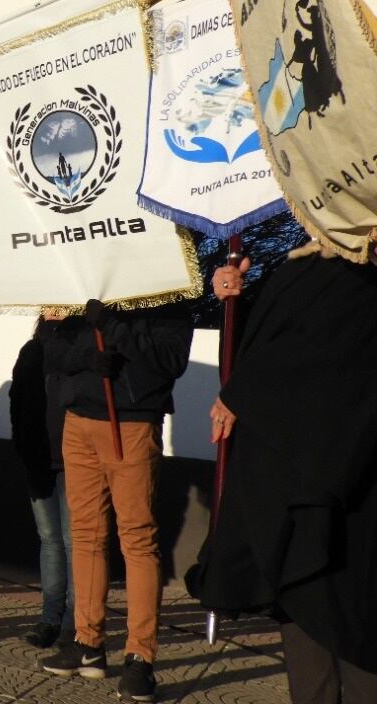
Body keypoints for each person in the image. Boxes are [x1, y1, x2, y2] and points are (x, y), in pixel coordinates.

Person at [191, 243, 377, 702]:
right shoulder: (303, 272)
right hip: (297, 491)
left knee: (360, 641)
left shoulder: (356, 280)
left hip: (355, 486)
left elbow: (316, 357)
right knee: (308, 632)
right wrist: (235, 299)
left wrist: (245, 392)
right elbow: (264, 348)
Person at [40, 296, 193, 703]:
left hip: (131, 423)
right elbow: (51, 349)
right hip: (79, 422)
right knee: (86, 535)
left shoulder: (169, 295)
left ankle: (140, 657)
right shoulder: (81, 288)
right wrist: (88, 358)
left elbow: (170, 360)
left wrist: (114, 326)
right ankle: (88, 642)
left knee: (137, 539)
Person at [9, 313, 74, 648]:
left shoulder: (79, 350)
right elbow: (16, 400)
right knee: (50, 539)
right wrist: (21, 443)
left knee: (73, 542)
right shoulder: (32, 351)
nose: (53, 312)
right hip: (37, 458)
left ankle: (74, 623)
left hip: (74, 461)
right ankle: (50, 618)